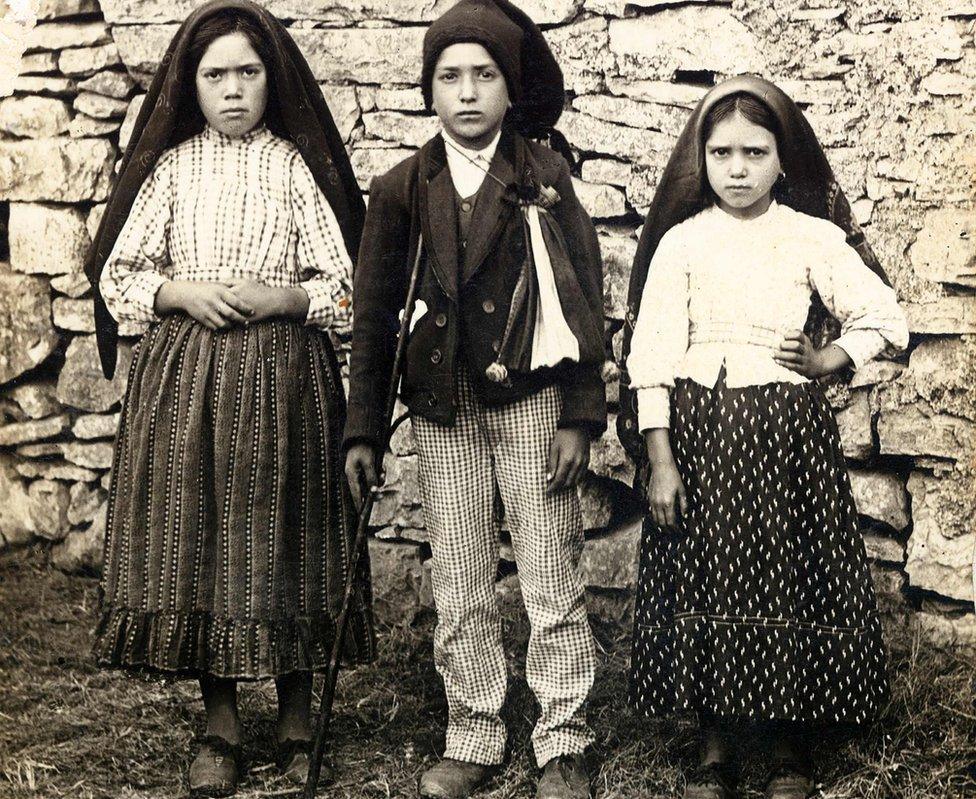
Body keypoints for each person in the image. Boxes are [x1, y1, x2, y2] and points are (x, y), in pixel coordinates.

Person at [85, 2, 375, 795]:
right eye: (216, 75)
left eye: (249, 72)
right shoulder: (173, 168)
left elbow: (347, 283)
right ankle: (218, 719)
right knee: (201, 533)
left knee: (286, 528)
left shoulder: (291, 167)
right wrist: (178, 290)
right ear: (192, 84)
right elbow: (118, 275)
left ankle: (295, 705)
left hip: (284, 377)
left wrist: (285, 299)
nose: (234, 90)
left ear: (270, 79)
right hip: (187, 381)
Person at [617, 76, 909, 799]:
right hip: (699, 437)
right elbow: (651, 356)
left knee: (786, 572)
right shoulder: (682, 243)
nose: (738, 168)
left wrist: (827, 358)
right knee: (708, 570)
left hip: (788, 441)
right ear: (701, 160)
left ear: (785, 160)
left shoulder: (810, 236)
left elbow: (884, 317)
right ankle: (716, 743)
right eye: (721, 153)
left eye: (755, 151)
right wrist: (660, 461)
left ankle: (787, 743)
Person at [343, 2, 608, 797]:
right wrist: (363, 427)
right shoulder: (401, 188)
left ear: (509, 87)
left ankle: (562, 734)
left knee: (548, 566)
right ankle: (474, 729)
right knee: (458, 571)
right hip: (442, 407)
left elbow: (585, 297)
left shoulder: (544, 177)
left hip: (529, 400)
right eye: (449, 76)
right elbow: (372, 313)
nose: (467, 93)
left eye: (484, 76)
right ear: (428, 89)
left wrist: (578, 413)